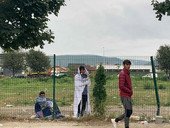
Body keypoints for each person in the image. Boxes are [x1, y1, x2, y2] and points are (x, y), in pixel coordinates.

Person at [111, 60, 133, 128]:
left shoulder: (127, 73)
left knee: (129, 112)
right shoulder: (123, 73)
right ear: (124, 65)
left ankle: (116, 120)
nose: (128, 66)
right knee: (128, 112)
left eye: (129, 64)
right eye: (127, 64)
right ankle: (123, 125)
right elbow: (121, 86)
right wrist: (129, 91)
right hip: (125, 95)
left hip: (127, 95)